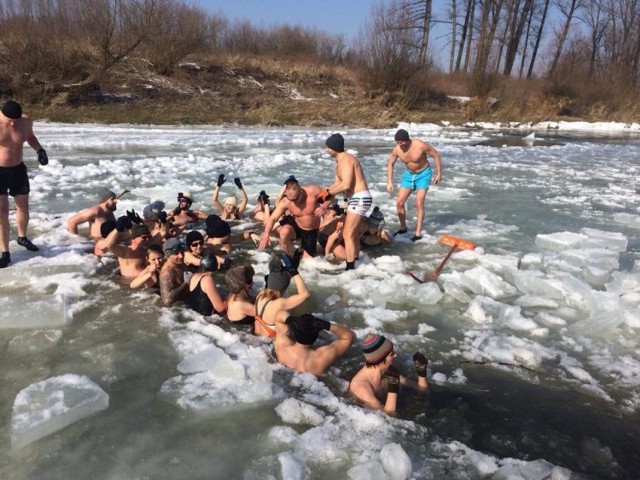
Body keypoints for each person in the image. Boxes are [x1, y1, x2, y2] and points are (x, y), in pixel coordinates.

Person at [0, 100, 49, 268]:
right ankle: (5, 252)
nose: (13, 123)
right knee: (2, 212)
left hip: (18, 170)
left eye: (15, 120)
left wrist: (40, 150)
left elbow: (30, 137)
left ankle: (22, 237)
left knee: (23, 206)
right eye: (9, 120)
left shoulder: (25, 121)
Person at [321, 133, 373, 270]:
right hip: (355, 198)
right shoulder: (338, 162)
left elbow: (346, 185)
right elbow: (337, 183)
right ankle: (355, 259)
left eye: (328, 147)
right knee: (353, 234)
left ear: (334, 147)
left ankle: (350, 267)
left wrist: (328, 193)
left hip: (360, 197)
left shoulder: (347, 160)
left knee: (347, 234)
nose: (326, 150)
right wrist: (324, 194)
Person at [349, 333, 428, 414]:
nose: (395, 355)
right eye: (391, 354)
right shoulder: (361, 387)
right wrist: (393, 387)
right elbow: (388, 416)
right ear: (380, 360)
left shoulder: (386, 370)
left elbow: (421, 389)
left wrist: (421, 372)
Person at [386, 129, 442, 241]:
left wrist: (439, 173)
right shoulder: (397, 149)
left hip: (423, 174)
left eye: (402, 142)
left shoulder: (420, 145)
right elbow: (390, 164)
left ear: (408, 140)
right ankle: (403, 228)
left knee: (419, 202)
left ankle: (417, 233)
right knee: (399, 202)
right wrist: (389, 182)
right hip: (409, 175)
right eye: (398, 142)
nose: (400, 145)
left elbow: (436, 155)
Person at [258, 175, 331, 258]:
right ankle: (290, 257)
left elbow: (331, 194)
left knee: (307, 262)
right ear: (286, 193)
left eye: (296, 198)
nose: (294, 202)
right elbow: (272, 218)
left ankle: (302, 253)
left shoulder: (312, 190)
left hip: (311, 230)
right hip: (297, 225)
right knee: (284, 232)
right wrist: (266, 234)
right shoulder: (286, 202)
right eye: (291, 199)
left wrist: (324, 206)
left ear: (300, 190)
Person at [274, 313, 356, 376]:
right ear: (316, 336)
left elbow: (279, 315)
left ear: (295, 331)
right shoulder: (321, 357)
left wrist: (291, 319)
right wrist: (326, 325)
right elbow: (349, 337)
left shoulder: (282, 346)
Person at [254, 254, 309, 338]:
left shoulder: (261, 294)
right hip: (272, 342)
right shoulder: (279, 303)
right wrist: (294, 272)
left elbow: (279, 280)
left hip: (259, 337)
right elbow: (305, 294)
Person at [159, 237, 190, 307]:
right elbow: (167, 300)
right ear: (168, 255)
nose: (181, 256)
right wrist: (186, 283)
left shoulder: (180, 263)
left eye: (182, 252)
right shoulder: (167, 272)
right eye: (176, 253)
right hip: (174, 311)